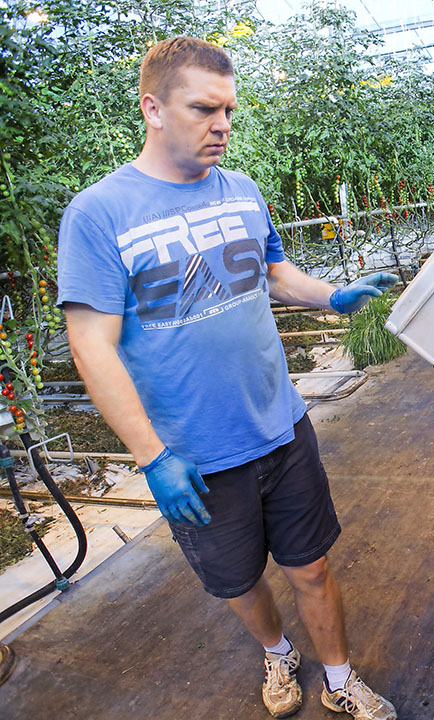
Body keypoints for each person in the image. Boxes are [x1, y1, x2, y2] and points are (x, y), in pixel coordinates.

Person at [57, 37, 397, 720]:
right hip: (197, 454)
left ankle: (339, 677)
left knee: (313, 566)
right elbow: (90, 344)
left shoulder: (241, 191)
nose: (222, 126)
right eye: (203, 109)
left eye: (229, 111)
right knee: (238, 579)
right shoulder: (100, 213)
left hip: (280, 424)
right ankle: (277, 653)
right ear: (153, 108)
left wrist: (330, 295)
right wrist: (152, 457)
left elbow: (274, 273)